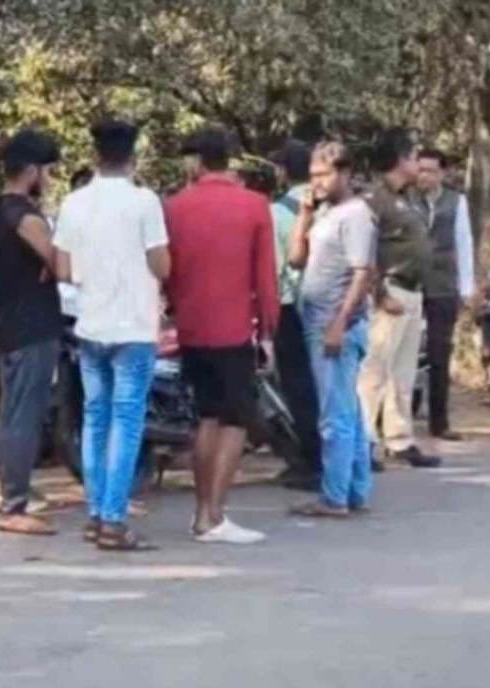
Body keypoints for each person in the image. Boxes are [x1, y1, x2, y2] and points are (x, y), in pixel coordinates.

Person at [54, 120, 169, 551]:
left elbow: (63, 268)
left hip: (90, 324)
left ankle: (96, 512)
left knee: (95, 418)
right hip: (134, 325)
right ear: (133, 157)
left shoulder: (73, 203)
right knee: (126, 420)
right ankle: (114, 520)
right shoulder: (145, 201)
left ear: (94, 156)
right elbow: (162, 265)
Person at [164, 127, 278, 545]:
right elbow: (265, 277)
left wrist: (175, 309)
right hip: (234, 326)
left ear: (197, 161)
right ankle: (214, 514)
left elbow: (168, 271)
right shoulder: (254, 205)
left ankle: (201, 513)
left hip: (192, 325)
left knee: (206, 417)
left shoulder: (175, 207)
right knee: (236, 419)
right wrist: (268, 330)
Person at [288, 142, 377, 517]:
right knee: (346, 411)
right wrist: (305, 215)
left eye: (324, 175)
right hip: (317, 318)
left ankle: (334, 496)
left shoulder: (356, 215)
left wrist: (339, 323)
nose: (317, 182)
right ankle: (354, 489)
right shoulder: (326, 212)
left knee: (334, 415)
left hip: (335, 322)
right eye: (313, 176)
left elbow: (362, 273)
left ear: (345, 173)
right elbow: (296, 259)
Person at [0, 128, 64, 535]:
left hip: (8, 322)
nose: (50, 180)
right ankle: (13, 504)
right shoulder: (26, 218)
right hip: (31, 325)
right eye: (48, 171)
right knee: (24, 416)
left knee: (13, 411)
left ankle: (17, 491)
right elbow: (63, 265)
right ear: (32, 171)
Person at [356, 129, 439, 469]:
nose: (418, 163)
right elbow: (365, 249)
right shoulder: (374, 199)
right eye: (413, 156)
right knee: (374, 371)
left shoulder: (411, 197)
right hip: (389, 291)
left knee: (403, 373)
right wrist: (380, 293)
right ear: (400, 159)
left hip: (413, 290)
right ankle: (364, 441)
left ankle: (399, 438)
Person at [411, 148, 477, 442]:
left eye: (431, 170)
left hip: (443, 286)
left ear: (442, 173)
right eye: (421, 169)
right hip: (410, 283)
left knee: (439, 353)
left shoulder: (455, 201)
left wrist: (466, 287)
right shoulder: (406, 198)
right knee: (404, 353)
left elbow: (463, 242)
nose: (424, 176)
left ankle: (440, 422)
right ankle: (400, 418)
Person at [269, 140, 325, 490]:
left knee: (298, 385)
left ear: (282, 171)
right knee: (328, 383)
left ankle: (311, 460)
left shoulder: (276, 212)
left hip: (290, 305)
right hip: (328, 303)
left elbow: (276, 268)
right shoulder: (330, 206)